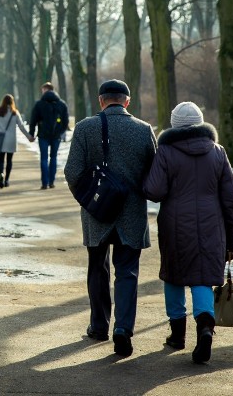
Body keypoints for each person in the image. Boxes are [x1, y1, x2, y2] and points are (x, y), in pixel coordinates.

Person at [64, 79, 156, 358]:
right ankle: (123, 330)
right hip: (131, 213)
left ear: (101, 100)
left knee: (97, 268)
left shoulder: (84, 128)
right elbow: (154, 175)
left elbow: (72, 171)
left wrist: (89, 199)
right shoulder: (143, 130)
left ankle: (99, 325)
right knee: (127, 272)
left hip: (97, 213)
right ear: (127, 101)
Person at [142, 101, 233, 364]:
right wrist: (232, 238)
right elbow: (231, 200)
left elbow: (154, 191)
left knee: (174, 276)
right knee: (202, 278)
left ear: (174, 124)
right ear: (201, 122)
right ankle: (205, 327)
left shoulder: (165, 152)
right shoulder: (218, 152)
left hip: (175, 223)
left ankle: (177, 335)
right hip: (212, 224)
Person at [28, 82, 69, 189]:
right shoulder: (62, 104)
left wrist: (31, 134)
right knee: (54, 157)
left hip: (43, 135)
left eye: (43, 89)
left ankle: (44, 183)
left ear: (46, 90)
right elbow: (65, 122)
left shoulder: (39, 104)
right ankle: (51, 182)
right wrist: (60, 132)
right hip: (56, 136)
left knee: (44, 158)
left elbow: (33, 120)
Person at [0, 94, 35, 188]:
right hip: (11, 140)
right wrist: (29, 137)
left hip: (0, 140)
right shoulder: (15, 113)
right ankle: (7, 180)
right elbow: (21, 127)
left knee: (0, 159)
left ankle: (1, 174)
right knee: (9, 160)